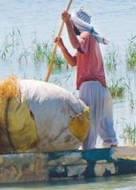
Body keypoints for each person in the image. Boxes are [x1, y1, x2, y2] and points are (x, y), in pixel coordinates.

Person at [55, 7, 118, 149]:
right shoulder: (89, 39)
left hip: (90, 87)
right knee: (105, 124)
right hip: (101, 88)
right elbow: (73, 62)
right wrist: (62, 47)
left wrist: (66, 23)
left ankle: (89, 155)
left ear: (77, 24)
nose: (71, 26)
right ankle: (112, 149)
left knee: (88, 125)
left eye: (72, 23)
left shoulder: (86, 36)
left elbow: (76, 44)